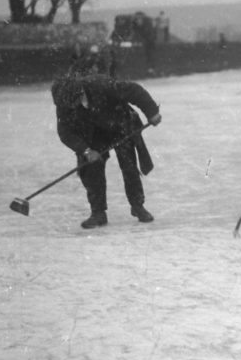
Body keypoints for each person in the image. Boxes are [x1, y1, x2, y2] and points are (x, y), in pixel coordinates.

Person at [51, 49, 162, 229]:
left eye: (73, 103)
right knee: (91, 168)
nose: (71, 108)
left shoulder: (100, 84)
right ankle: (98, 213)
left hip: (120, 124)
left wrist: (152, 112)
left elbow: (134, 90)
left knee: (129, 166)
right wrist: (86, 150)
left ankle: (137, 206)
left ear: (79, 93)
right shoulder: (64, 103)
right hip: (93, 133)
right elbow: (64, 132)